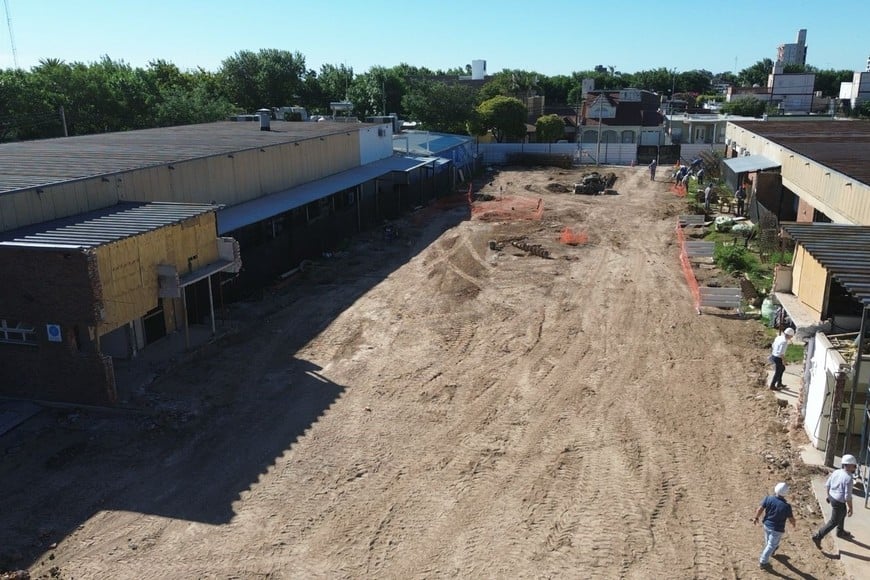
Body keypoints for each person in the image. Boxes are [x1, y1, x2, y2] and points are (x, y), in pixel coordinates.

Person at [812, 454, 859, 548]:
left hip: (832, 497)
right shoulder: (849, 478)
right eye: (854, 465)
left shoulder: (836, 472)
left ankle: (840, 531)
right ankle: (818, 536)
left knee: (843, 512)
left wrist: (828, 496)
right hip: (839, 501)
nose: (855, 467)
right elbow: (847, 497)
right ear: (849, 465)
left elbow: (828, 484)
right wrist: (851, 508)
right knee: (833, 521)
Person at [753, 482, 795, 569]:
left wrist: (756, 517)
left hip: (767, 525)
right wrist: (793, 523)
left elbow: (760, 509)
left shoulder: (768, 498)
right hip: (777, 529)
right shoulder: (786, 506)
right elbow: (791, 518)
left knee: (768, 540)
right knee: (771, 545)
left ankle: (771, 551)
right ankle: (763, 562)